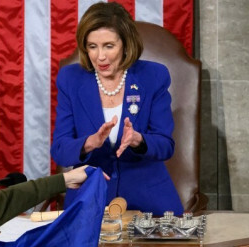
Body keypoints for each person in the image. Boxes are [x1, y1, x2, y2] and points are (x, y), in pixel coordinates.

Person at [50, 2, 183, 216]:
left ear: (126, 44)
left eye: (109, 46)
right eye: (92, 46)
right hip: (91, 198)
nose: (100, 56)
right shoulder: (70, 79)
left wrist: (139, 140)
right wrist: (88, 143)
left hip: (148, 199)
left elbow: (166, 145)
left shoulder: (153, 77)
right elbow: (60, 151)